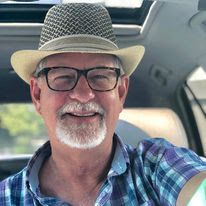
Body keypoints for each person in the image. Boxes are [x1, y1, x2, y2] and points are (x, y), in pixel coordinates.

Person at [0, 3, 206, 206]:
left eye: (100, 76)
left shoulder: (157, 167)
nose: (83, 94)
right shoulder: (6, 197)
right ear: (37, 94)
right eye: (63, 77)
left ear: (121, 91)